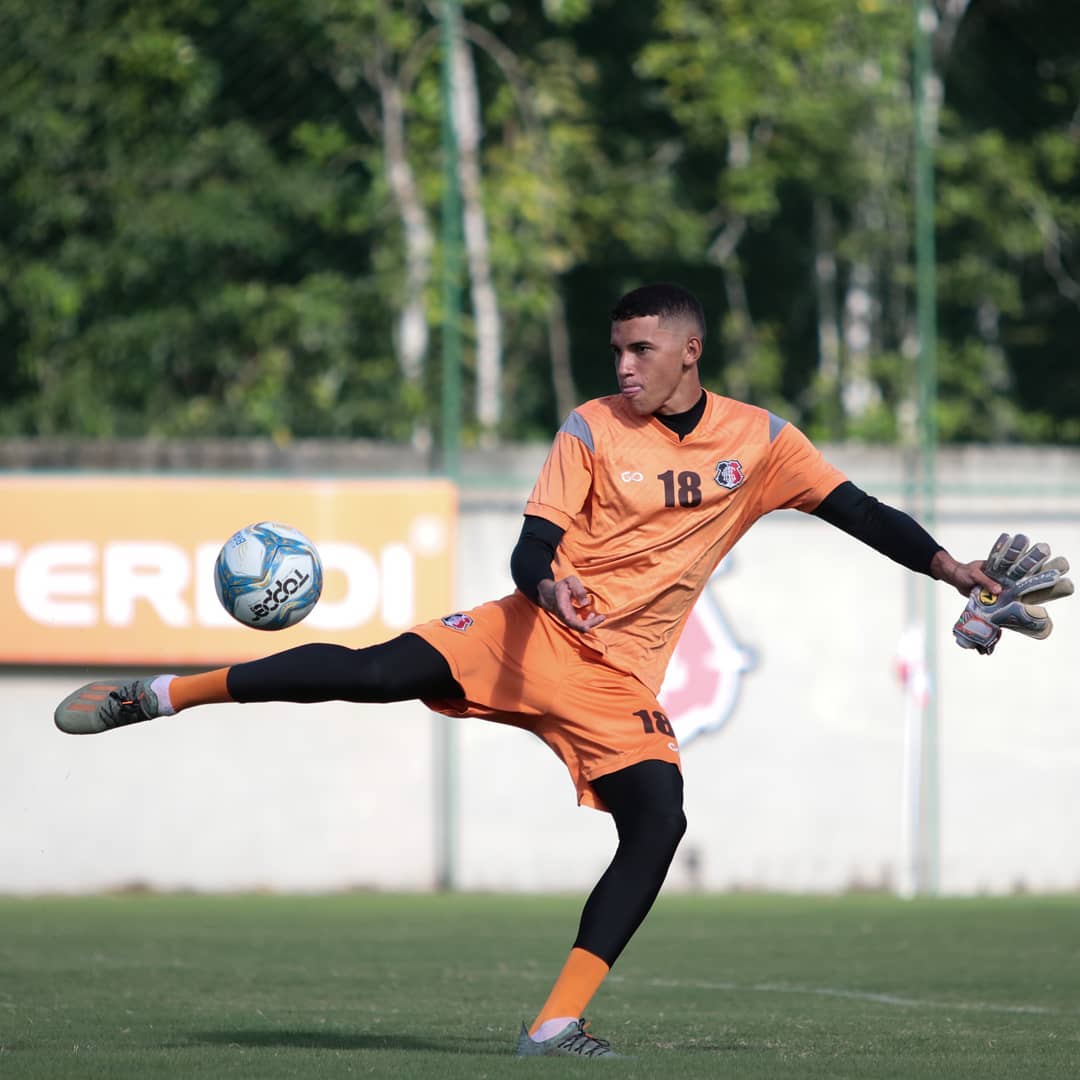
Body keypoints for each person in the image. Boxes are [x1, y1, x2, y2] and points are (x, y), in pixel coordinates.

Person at [55, 282, 1003, 1059]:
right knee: (372, 671)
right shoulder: (590, 428)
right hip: (530, 629)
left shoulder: (762, 443)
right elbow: (529, 546)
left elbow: (864, 512)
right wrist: (548, 591)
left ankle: (555, 1023)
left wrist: (952, 570)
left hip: (615, 682)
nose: (623, 365)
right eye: (616, 349)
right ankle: (164, 693)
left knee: (660, 822)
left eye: (640, 349)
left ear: (690, 352)